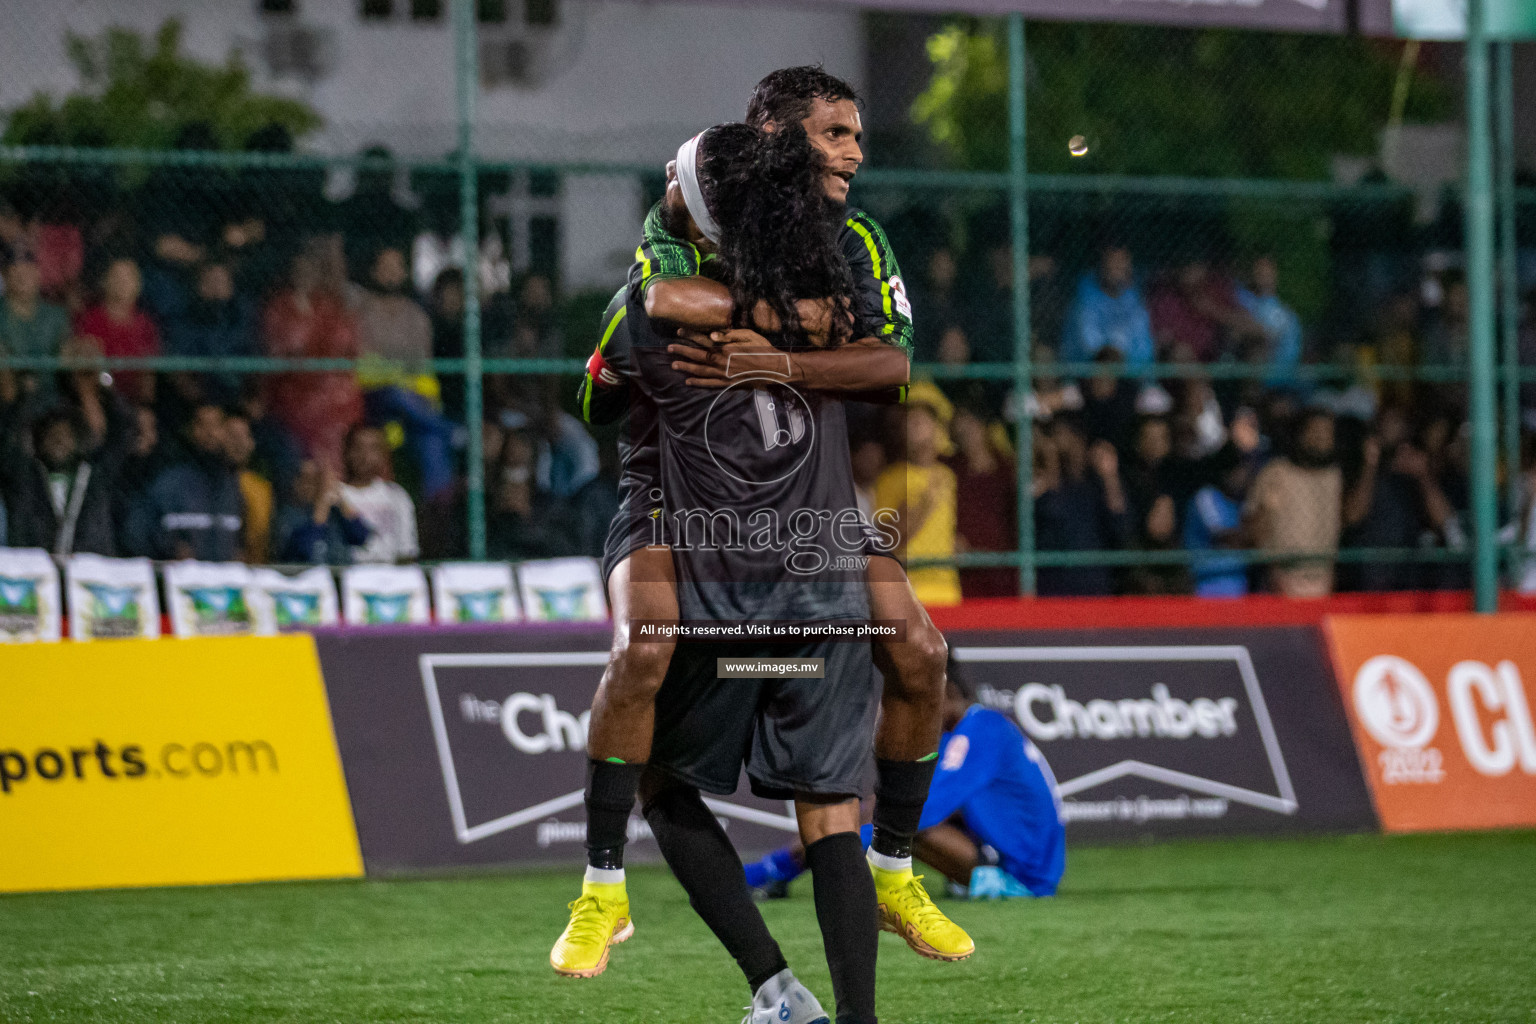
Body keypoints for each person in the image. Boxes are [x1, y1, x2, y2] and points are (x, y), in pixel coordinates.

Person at [561, 67, 968, 1002]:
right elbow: (649, 310)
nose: (855, 151)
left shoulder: (851, 237)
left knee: (917, 646)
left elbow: (891, 362)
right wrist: (785, 319)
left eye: (857, 132)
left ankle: (896, 872)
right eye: (834, 134)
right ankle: (611, 889)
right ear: (776, 139)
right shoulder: (681, 225)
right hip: (688, 508)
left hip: (808, 519)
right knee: (649, 655)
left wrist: (781, 349)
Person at [744, 653, 1066, 900]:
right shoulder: (973, 730)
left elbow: (922, 813)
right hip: (1013, 859)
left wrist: (838, 840)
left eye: (919, 702)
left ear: (946, 692)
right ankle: (778, 869)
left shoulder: (979, 733)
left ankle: (775, 870)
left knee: (905, 825)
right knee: (877, 809)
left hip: (1025, 880)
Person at [354, 245, 456, 503]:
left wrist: (413, 388)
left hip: (412, 407)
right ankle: (451, 431)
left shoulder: (417, 316)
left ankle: (437, 521)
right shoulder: (361, 311)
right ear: (374, 272)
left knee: (432, 444)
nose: (391, 274)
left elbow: (424, 370)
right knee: (396, 393)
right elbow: (364, 364)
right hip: (375, 397)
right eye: (385, 267)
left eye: (396, 267)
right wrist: (399, 376)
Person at [263, 239, 364, 472]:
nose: (305, 275)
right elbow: (279, 352)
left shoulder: (327, 306)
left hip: (328, 387)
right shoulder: (279, 307)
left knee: (342, 408)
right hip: (293, 389)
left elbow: (345, 348)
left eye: (310, 269)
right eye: (300, 269)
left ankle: (338, 482)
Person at [0, 392, 135, 557]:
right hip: (35, 572)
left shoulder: (95, 477)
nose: (59, 441)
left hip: (90, 573)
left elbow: (123, 435)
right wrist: (26, 396)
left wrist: (105, 390)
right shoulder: (27, 477)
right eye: (52, 435)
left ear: (78, 441)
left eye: (66, 435)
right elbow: (8, 439)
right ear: (40, 441)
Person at [875, 384, 962, 606]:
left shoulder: (948, 476)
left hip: (947, 590)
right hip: (909, 591)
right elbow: (886, 543)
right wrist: (923, 505)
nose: (913, 428)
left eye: (921, 422)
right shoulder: (891, 479)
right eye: (909, 422)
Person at [1244, 408, 1343, 597]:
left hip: (1325, 579)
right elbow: (1254, 530)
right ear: (1300, 434)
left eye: (1326, 433)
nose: (1321, 438)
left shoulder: (1335, 476)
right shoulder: (1277, 472)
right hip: (1283, 578)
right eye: (1315, 431)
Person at [1034, 417, 1133, 596]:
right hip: (1054, 586)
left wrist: (1110, 475)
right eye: (1056, 436)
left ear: (1082, 440)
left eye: (1066, 436)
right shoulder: (1046, 481)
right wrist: (1051, 464)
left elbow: (1121, 526)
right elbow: (1050, 513)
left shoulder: (1097, 483)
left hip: (1093, 583)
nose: (1062, 443)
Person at [138, 404, 245, 561]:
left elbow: (240, 547)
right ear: (191, 430)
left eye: (215, 426)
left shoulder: (234, 488)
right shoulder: (168, 484)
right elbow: (142, 536)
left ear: (224, 431)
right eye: (202, 425)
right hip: (180, 582)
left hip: (225, 583)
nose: (210, 433)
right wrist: (170, 550)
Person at [945, 404, 1016, 599]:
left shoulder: (1007, 469)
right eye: (961, 424)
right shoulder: (948, 468)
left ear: (984, 427)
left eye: (971, 423)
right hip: (963, 574)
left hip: (1002, 572)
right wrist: (947, 539)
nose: (966, 431)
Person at [74, 256, 160, 405]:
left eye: (128, 277)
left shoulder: (146, 324)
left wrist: (145, 407)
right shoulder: (90, 320)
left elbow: (148, 372)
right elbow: (85, 369)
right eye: (116, 276)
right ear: (105, 281)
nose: (122, 283)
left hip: (134, 397)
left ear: (137, 284)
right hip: (102, 395)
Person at [1061, 244, 1154, 367]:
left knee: (1151, 387)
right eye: (1113, 262)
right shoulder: (1085, 296)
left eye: (1122, 262)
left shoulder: (1134, 298)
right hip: (1089, 374)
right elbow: (1088, 344)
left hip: (1130, 374)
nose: (1118, 268)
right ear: (1102, 265)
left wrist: (1126, 360)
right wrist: (1110, 355)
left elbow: (1144, 347)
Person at [338, 423, 418, 564]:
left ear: (384, 454)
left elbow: (407, 552)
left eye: (373, 449)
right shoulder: (337, 495)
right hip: (350, 576)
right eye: (358, 448)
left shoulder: (396, 496)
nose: (365, 456)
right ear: (346, 451)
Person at [273, 459, 371, 565]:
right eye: (304, 479)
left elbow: (361, 537)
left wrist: (341, 498)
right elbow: (303, 551)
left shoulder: (334, 512)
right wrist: (320, 510)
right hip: (304, 578)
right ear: (293, 482)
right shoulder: (286, 515)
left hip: (340, 575)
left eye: (315, 481)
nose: (308, 486)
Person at [0, 252, 69, 400]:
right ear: (5, 276)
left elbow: (66, 355)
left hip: (52, 397)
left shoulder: (56, 315)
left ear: (38, 274)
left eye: (28, 271)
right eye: (15, 271)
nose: (22, 278)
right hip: (9, 399)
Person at [225, 412, 273, 564]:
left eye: (244, 436)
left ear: (252, 443)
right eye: (232, 436)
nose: (239, 443)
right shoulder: (206, 485)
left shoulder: (263, 489)